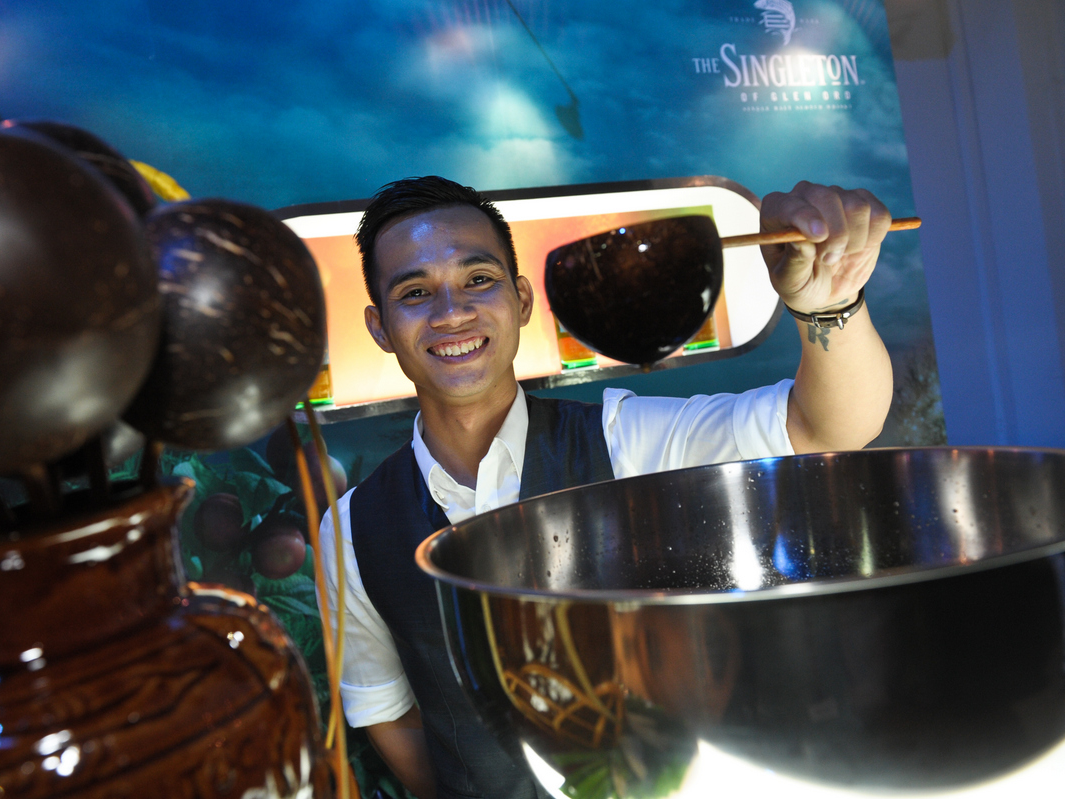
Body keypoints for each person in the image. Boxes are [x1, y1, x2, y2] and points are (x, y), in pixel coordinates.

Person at [319, 176, 894, 799]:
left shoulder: (625, 441)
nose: (451, 312)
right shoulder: (351, 530)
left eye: (478, 279)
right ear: (380, 328)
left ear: (521, 299)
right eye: (414, 292)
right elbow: (389, 713)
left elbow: (823, 427)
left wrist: (829, 302)